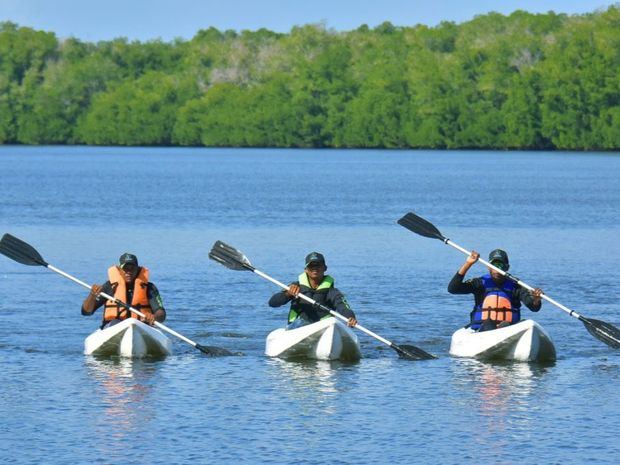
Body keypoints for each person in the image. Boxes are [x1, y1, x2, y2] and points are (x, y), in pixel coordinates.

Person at [448, 249, 542, 331]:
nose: (497, 269)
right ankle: (496, 329)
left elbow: (534, 307)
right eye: (494, 265)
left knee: (523, 323)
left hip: (509, 329)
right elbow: (453, 289)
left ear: (507, 267)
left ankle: (503, 328)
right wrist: (468, 263)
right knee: (489, 322)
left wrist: (536, 299)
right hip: (483, 329)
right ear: (488, 267)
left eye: (500, 265)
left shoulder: (516, 285)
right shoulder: (480, 283)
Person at [268, 252, 358, 329]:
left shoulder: (332, 292)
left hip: (323, 328)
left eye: (318, 265)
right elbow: (272, 303)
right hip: (297, 327)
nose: (315, 268)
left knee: (333, 323)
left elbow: (343, 306)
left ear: (325, 268)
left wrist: (350, 317)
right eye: (311, 266)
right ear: (306, 270)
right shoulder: (295, 287)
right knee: (301, 323)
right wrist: (287, 294)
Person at [81, 253, 166, 328]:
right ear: (119, 270)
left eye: (132, 268)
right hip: (114, 327)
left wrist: (153, 317)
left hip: (141, 326)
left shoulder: (149, 287)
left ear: (137, 269)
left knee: (136, 324)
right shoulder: (109, 286)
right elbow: (86, 312)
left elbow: (161, 314)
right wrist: (92, 295)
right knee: (115, 322)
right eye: (125, 268)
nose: (128, 272)